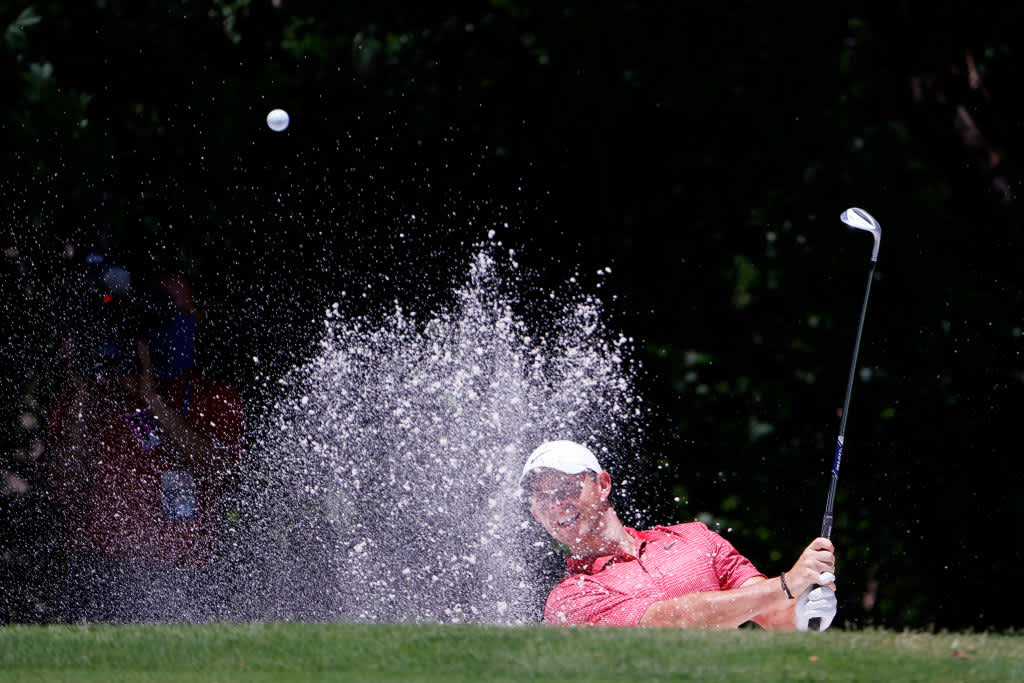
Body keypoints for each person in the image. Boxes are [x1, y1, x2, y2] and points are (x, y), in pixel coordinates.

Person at [44, 267, 244, 622]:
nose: (161, 327)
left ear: (196, 318)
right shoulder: (91, 395)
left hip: (184, 573)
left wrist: (154, 402)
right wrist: (81, 396)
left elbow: (221, 469)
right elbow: (60, 487)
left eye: (171, 311)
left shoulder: (216, 397)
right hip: (96, 571)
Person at [520, 440, 837, 630]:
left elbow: (771, 613)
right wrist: (785, 585)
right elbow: (667, 624)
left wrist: (804, 611)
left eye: (567, 487)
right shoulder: (570, 599)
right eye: (542, 498)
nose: (557, 504)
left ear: (603, 485)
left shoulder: (695, 538)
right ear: (536, 514)